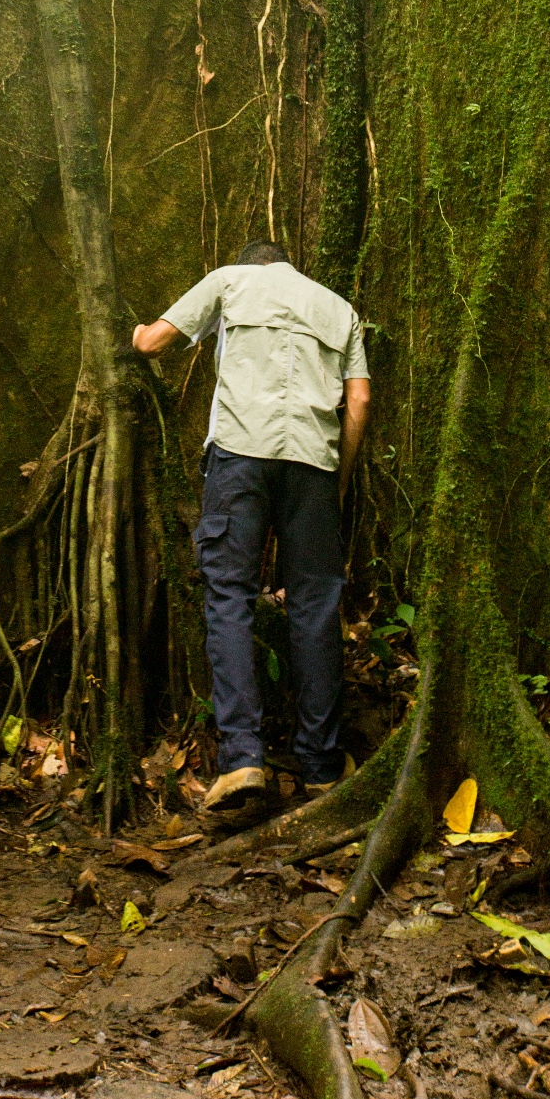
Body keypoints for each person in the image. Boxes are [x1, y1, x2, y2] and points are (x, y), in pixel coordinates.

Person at [132, 239, 370, 813]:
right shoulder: (338, 308)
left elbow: (152, 343)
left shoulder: (229, 281)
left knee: (229, 594)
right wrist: (337, 479)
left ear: (251, 262)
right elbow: (358, 401)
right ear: (288, 263)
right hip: (314, 463)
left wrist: (137, 330)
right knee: (314, 604)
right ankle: (319, 769)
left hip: (240, 456)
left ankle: (243, 761)